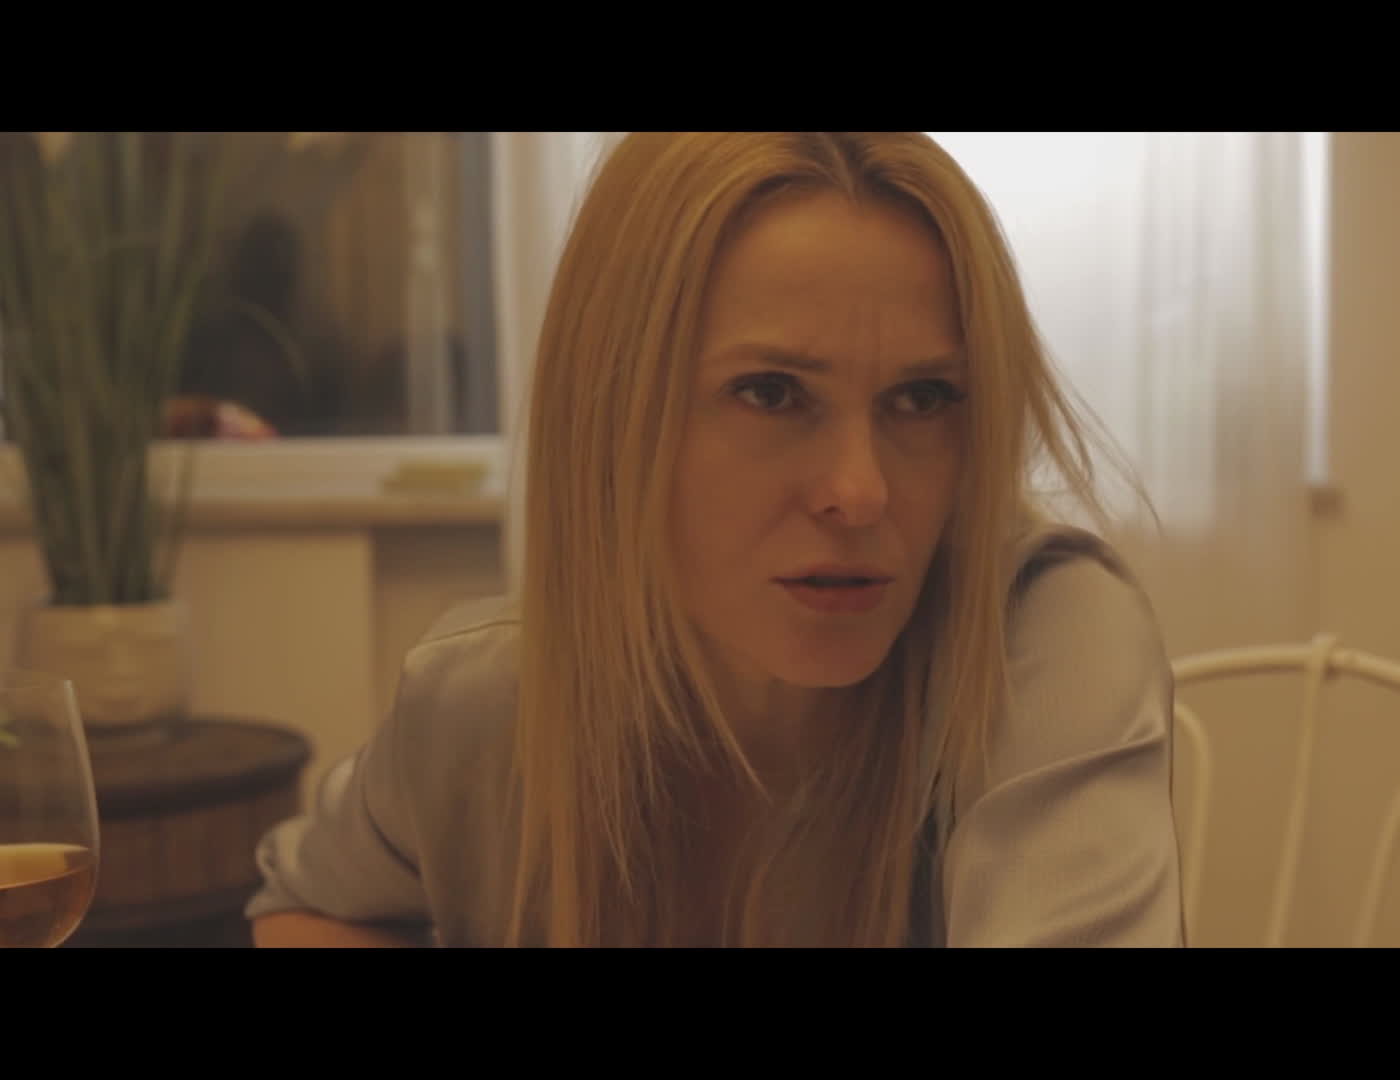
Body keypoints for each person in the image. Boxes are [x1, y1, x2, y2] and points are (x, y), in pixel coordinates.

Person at [245, 132, 1186, 947]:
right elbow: (308, 906)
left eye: (923, 398)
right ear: (614, 417)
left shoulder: (1039, 638)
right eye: (772, 393)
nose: (860, 493)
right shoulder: (484, 703)